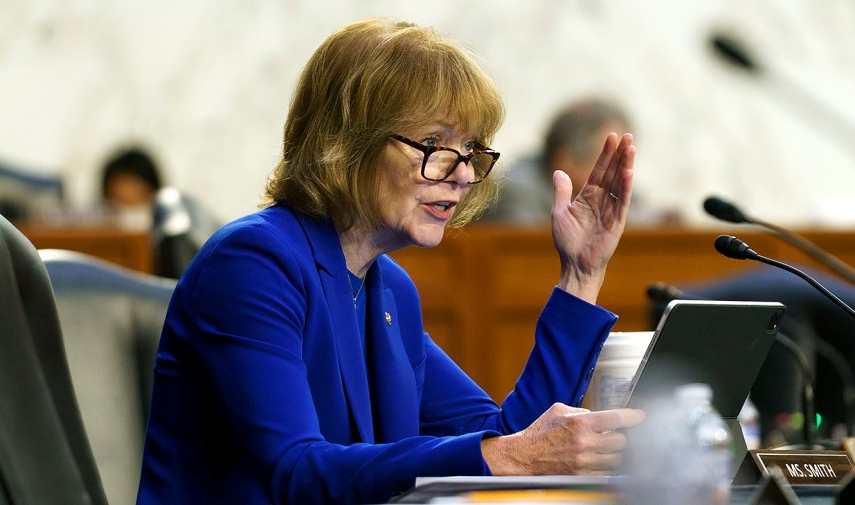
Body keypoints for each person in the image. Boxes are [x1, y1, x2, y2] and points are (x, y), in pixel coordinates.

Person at [136, 18, 643, 505]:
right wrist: (507, 456)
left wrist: (581, 274)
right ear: (347, 142)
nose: (463, 175)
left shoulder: (390, 290)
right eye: (432, 144)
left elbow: (515, 443)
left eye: (468, 149)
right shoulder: (252, 262)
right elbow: (296, 474)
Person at [486, 97, 676, 226]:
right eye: (608, 161)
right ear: (565, 161)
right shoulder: (516, 189)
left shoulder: (613, 188)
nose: (616, 173)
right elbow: (535, 257)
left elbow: (642, 215)